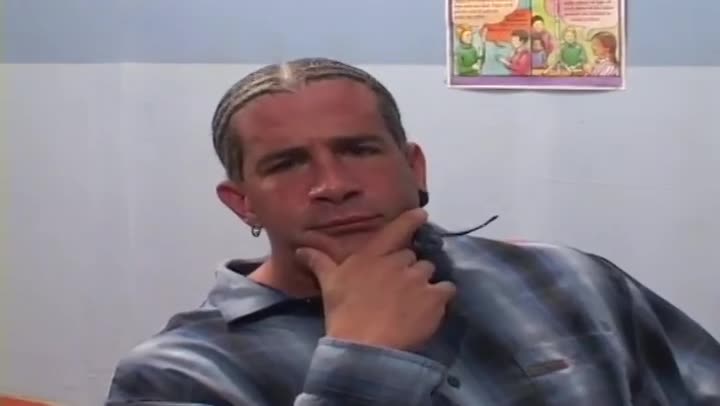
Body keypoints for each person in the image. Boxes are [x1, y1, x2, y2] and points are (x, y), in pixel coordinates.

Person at [105, 57, 720, 405]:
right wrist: (364, 363)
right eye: (288, 164)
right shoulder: (180, 374)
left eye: (359, 150)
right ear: (242, 203)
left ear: (414, 167)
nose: (332, 184)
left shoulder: (566, 280)